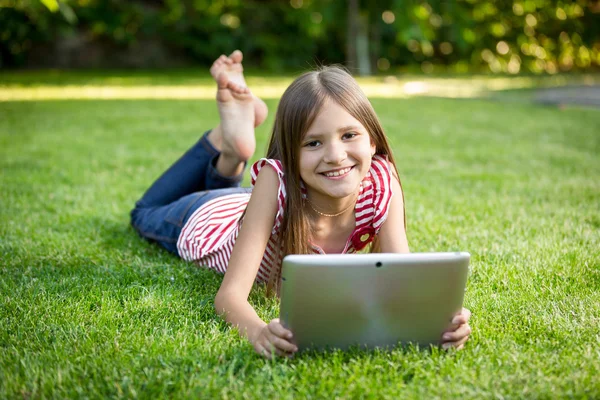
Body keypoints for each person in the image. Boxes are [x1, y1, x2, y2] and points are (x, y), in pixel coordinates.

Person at [130, 50, 472, 359]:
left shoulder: (382, 183)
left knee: (235, 195)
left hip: (249, 208)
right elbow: (229, 296)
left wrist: (442, 322)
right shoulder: (274, 179)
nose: (336, 155)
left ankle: (233, 152)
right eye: (313, 142)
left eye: (349, 135)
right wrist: (258, 331)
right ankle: (224, 142)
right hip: (206, 221)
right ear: (290, 154)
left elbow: (402, 279)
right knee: (142, 213)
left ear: (373, 141)